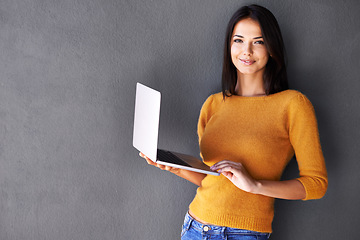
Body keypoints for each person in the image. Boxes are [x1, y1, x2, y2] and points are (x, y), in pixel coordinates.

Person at [140, 4, 328, 240]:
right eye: (238, 40)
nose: (246, 51)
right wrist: (175, 167)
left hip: (245, 234)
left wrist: (255, 186)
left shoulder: (293, 104)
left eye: (258, 42)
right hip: (195, 227)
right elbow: (213, 177)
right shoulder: (213, 104)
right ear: (229, 46)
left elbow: (316, 184)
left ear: (271, 48)